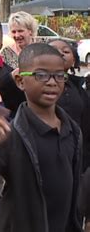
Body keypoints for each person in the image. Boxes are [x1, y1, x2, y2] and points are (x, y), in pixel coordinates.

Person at [0, 43, 83, 232]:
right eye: (41, 75)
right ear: (19, 81)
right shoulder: (10, 133)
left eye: (59, 75)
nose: (52, 82)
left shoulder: (72, 131)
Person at [49, 39, 90, 169]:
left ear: (73, 60)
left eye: (66, 51)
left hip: (78, 153)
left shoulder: (80, 86)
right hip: (50, 152)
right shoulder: (35, 84)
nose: (60, 54)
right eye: (54, 51)